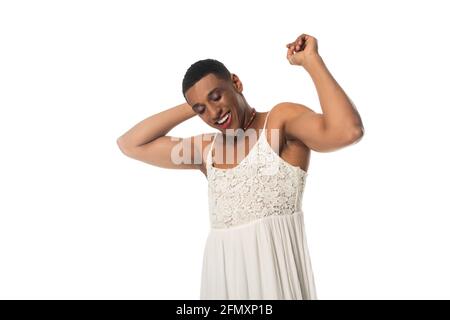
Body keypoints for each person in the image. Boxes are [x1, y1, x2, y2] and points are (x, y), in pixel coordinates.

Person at [117, 33, 364, 299]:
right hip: (224, 285)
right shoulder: (206, 151)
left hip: (276, 285)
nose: (213, 113)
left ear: (236, 82)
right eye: (202, 109)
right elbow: (130, 144)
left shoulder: (278, 124)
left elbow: (347, 131)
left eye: (216, 96)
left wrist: (312, 61)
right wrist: (194, 104)